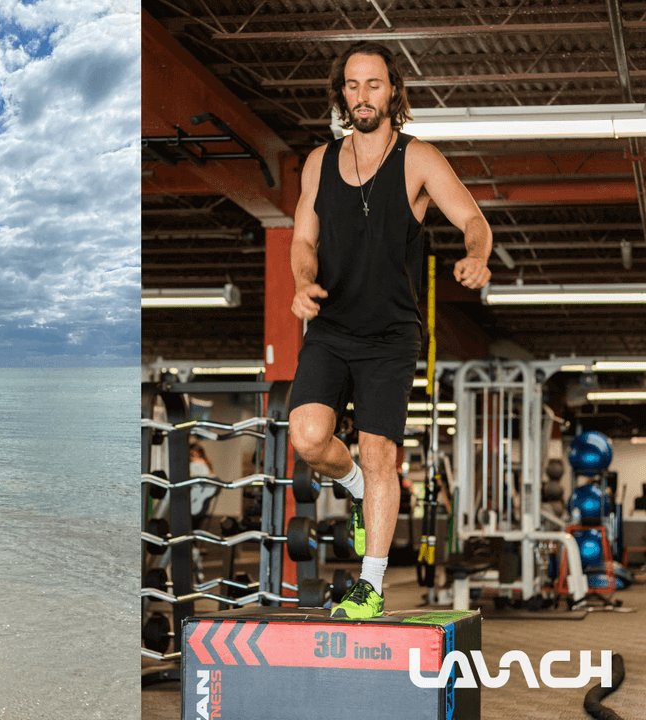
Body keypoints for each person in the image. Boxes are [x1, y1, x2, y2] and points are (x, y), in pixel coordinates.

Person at [288, 41, 492, 619]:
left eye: (372, 85)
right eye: (351, 86)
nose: (361, 96)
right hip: (330, 327)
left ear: (392, 91)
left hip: (391, 337)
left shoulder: (417, 157)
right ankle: (353, 488)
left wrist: (477, 255)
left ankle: (369, 587)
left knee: (382, 454)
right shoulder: (317, 162)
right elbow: (304, 239)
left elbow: (473, 219)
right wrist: (303, 282)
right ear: (341, 94)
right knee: (306, 437)